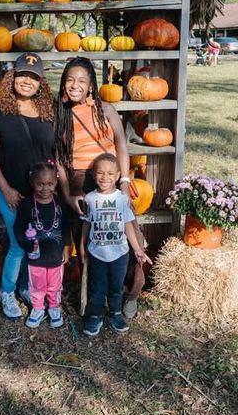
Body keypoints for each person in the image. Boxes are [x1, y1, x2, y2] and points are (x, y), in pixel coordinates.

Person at [54, 57, 146, 320]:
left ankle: (130, 292)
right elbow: (60, 160)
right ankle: (94, 297)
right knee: (87, 241)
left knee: (130, 235)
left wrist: (125, 182)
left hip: (109, 176)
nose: (75, 85)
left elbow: (121, 145)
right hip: (79, 181)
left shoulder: (106, 109)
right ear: (63, 84)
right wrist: (68, 193)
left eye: (82, 80)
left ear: (91, 85)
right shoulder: (59, 113)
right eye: (70, 79)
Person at [0, 53, 55, 319]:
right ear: (12, 77)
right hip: (10, 190)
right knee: (19, 243)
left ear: (41, 83)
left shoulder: (48, 111)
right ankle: (7, 291)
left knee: (35, 242)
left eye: (34, 77)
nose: (27, 81)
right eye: (23, 74)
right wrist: (6, 188)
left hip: (41, 193)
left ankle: (26, 286)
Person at [79, 153, 152, 336]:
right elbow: (87, 223)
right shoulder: (89, 199)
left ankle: (115, 313)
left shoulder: (122, 199)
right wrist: (81, 245)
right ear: (94, 175)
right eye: (100, 173)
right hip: (97, 252)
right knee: (97, 286)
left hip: (120, 253)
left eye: (110, 173)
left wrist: (137, 249)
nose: (105, 177)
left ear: (118, 175)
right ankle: (94, 316)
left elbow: (128, 225)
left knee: (116, 286)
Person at [13, 161, 70, 329]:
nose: (45, 188)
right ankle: (38, 308)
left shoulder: (60, 204)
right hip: (35, 255)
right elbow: (18, 228)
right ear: (33, 183)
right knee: (36, 285)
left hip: (55, 254)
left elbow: (66, 226)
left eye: (50, 184)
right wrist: (27, 245)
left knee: (54, 284)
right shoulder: (27, 205)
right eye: (40, 184)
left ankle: (54, 307)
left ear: (56, 183)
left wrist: (67, 247)